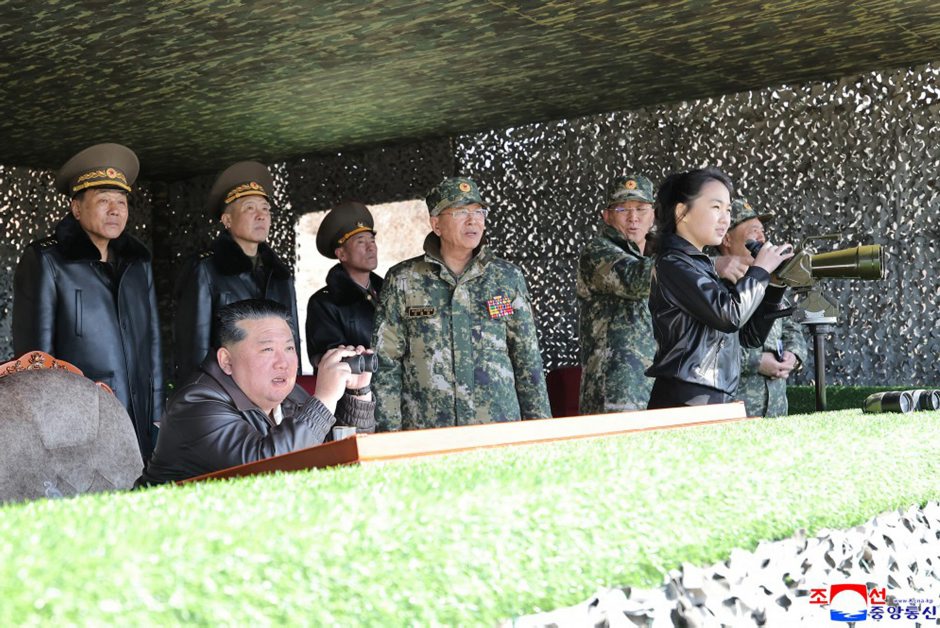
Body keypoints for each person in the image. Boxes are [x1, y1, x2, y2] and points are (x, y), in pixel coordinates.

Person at [12, 143, 164, 460]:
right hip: (81, 417)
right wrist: (50, 425)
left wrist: (157, 414)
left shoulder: (138, 263)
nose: (115, 210)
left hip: (139, 415)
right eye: (104, 201)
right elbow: (36, 357)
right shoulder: (48, 260)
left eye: (121, 201)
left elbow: (152, 343)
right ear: (77, 208)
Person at [372, 176, 551, 430]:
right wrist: (389, 436)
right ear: (436, 224)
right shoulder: (404, 280)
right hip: (428, 431)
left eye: (479, 212)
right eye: (461, 212)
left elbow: (527, 360)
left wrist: (540, 430)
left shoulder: (506, 278)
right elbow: (385, 363)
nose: (473, 220)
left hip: (497, 428)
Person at [138, 299, 375, 485]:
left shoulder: (291, 396)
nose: (283, 363)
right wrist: (324, 399)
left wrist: (358, 394)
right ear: (226, 361)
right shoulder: (195, 404)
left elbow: (342, 458)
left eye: (289, 348)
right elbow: (266, 469)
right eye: (267, 350)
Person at [645, 168, 794, 409]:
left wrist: (775, 284)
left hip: (713, 397)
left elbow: (750, 337)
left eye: (728, 210)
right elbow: (729, 315)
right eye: (716, 207)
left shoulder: (698, 264)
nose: (725, 219)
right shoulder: (673, 262)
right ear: (682, 212)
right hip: (687, 400)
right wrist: (760, 271)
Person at [174, 161, 300, 384]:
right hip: (226, 390)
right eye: (250, 208)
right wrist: (199, 396)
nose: (261, 216)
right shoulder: (206, 269)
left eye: (265, 209)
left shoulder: (280, 274)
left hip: (274, 387)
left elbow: (293, 340)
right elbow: (194, 347)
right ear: (227, 220)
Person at [717, 198, 807, 416]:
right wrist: (755, 362)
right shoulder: (712, 283)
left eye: (762, 231)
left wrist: (793, 356)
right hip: (735, 411)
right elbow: (708, 345)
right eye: (753, 231)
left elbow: (790, 326)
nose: (762, 238)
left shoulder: (768, 280)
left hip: (776, 410)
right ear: (727, 238)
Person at [577, 174, 658, 414]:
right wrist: (707, 264)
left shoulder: (658, 254)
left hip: (654, 385)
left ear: (653, 216)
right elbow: (636, 279)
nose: (633, 218)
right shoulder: (598, 252)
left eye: (641, 209)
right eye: (623, 209)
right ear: (607, 216)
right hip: (614, 390)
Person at [306, 201, 384, 367]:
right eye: (361, 242)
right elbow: (332, 359)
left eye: (372, 240)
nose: (371, 247)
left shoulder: (391, 293)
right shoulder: (324, 303)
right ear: (341, 254)